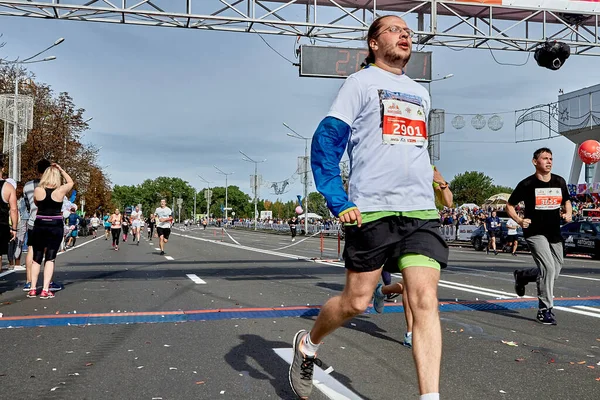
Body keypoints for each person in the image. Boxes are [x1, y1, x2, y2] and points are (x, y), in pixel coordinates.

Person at [289, 15, 447, 400]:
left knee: (425, 300)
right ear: (373, 44)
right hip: (373, 210)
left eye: (408, 31)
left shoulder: (421, 93)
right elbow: (326, 142)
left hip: (420, 212)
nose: (405, 34)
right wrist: (338, 198)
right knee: (356, 302)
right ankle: (308, 343)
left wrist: (437, 185)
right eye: (394, 30)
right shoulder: (359, 83)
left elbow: (414, 151)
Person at [372, 166, 454, 349]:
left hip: (425, 228)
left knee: (418, 285)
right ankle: (410, 332)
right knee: (412, 286)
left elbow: (448, 202)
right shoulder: (391, 162)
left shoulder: (428, 168)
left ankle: (382, 291)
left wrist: (441, 182)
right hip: (399, 227)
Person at [507, 147, 571, 325]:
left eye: (551, 158)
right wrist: (519, 221)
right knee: (548, 269)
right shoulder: (527, 184)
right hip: (535, 232)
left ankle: (524, 276)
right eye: (545, 158)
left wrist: (568, 214)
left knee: (554, 271)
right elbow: (509, 205)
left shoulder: (559, 181)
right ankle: (545, 310)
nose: (549, 161)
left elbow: (567, 201)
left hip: (554, 232)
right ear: (535, 162)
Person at [28, 163, 73, 299]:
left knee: (36, 257)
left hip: (40, 223)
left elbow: (36, 204)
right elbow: (71, 182)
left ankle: (32, 288)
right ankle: (45, 289)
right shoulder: (60, 191)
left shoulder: (38, 190)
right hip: (55, 224)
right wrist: (61, 169)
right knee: (50, 258)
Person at [0, 164, 18, 270]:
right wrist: (14, 227)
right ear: (2, 168)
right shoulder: (8, 187)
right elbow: (14, 209)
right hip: (1, 223)